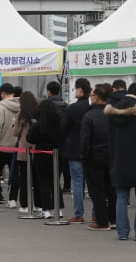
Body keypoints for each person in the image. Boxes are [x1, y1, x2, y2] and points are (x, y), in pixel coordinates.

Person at [105, 82, 136, 241]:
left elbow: (109, 135)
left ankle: (122, 233)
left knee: (121, 197)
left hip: (118, 158)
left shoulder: (112, 110)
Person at [80, 83, 116, 231]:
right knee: (112, 190)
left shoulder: (89, 116)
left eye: (92, 94)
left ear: (97, 98)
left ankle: (101, 221)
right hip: (112, 156)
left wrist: (84, 157)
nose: (90, 96)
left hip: (94, 157)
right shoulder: (114, 114)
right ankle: (113, 219)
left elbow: (85, 140)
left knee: (97, 190)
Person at [27, 99, 65, 218]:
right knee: (55, 183)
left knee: (43, 184)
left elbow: (30, 138)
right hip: (57, 155)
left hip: (41, 155)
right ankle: (58, 209)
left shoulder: (38, 125)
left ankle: (46, 209)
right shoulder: (60, 123)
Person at [62, 78, 91, 223]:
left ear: (79, 89)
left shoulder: (72, 108)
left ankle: (79, 214)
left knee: (78, 182)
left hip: (75, 149)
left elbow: (64, 129)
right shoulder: (93, 108)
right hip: (92, 150)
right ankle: (96, 214)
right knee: (93, 183)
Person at [0, 83, 20, 209]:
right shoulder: (21, 106)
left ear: (2, 94)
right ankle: (12, 199)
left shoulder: (0, 108)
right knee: (15, 173)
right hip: (17, 145)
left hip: (2, 145)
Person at [12, 91, 41, 213]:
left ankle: (24, 205)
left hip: (24, 151)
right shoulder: (39, 113)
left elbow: (15, 133)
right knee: (38, 179)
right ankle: (38, 204)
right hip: (38, 149)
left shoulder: (21, 115)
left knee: (24, 179)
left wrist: (16, 124)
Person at [46, 81, 69, 192]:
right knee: (63, 162)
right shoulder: (66, 105)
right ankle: (65, 184)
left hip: (49, 139)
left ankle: (53, 185)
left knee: (49, 164)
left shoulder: (46, 105)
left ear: (49, 92)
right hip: (63, 138)